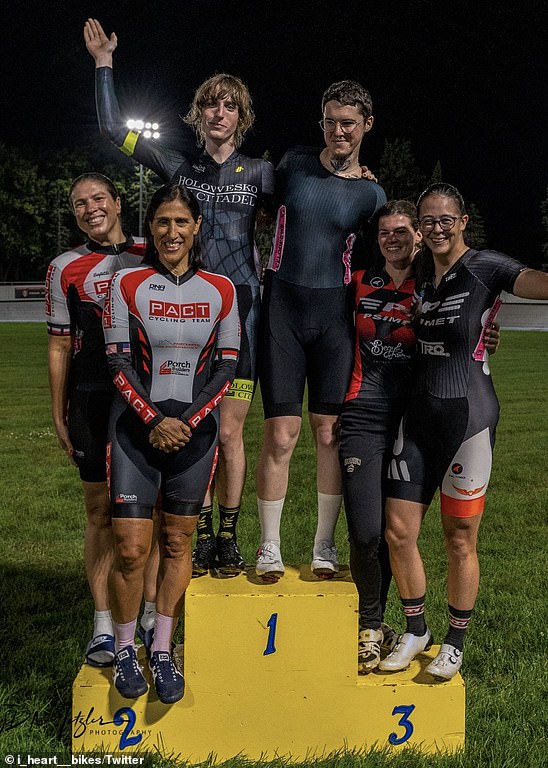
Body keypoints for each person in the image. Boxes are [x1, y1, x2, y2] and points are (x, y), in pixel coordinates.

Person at [379, 180, 548, 679]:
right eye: (429, 221)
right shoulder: (420, 274)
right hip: (418, 420)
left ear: (463, 221)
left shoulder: (487, 268)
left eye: (447, 219)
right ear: (421, 230)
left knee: (459, 538)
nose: (438, 228)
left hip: (470, 419)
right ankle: (416, 628)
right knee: (399, 531)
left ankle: (455, 641)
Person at [84, 18, 274, 577]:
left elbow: (311, 216)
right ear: (198, 115)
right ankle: (182, 529)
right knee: (184, 422)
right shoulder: (178, 168)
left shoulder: (262, 172)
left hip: (240, 311)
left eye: (229, 106)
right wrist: (103, 65)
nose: (219, 114)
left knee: (232, 429)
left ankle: (226, 537)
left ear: (241, 116)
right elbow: (110, 128)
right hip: (180, 321)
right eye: (210, 105)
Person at [340, 200, 500, 674]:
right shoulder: (358, 282)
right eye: (385, 231)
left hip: (426, 414)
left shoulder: (435, 283)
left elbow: (470, 324)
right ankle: (387, 626)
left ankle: (437, 633)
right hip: (372, 415)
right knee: (380, 532)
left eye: (403, 230)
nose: (394, 238)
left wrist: (489, 335)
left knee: (443, 535)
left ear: (418, 236)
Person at [103, 184, 240, 703]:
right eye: (162, 222)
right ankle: (122, 649)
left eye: (181, 222)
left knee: (178, 544)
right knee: (133, 550)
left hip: (195, 435)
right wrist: (153, 418)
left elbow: (227, 368)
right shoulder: (127, 283)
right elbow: (117, 361)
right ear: (152, 228)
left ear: (197, 226)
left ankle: (161, 649)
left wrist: (187, 421)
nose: (171, 232)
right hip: (135, 431)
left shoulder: (222, 289)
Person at [255, 80, 387, 581]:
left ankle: (324, 544)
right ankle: (268, 545)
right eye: (330, 121)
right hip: (281, 309)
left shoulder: (373, 194)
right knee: (281, 435)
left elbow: (387, 262)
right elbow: (254, 206)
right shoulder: (293, 164)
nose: (338, 131)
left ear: (366, 126)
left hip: (335, 317)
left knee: (329, 433)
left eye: (348, 123)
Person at [45, 172, 158, 668]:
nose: (89, 208)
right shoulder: (64, 267)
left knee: (147, 511)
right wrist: (58, 411)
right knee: (99, 513)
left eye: (97, 199)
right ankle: (104, 627)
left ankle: (151, 612)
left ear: (117, 201)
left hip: (149, 398)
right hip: (90, 398)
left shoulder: (151, 249)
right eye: (78, 204)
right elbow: (58, 344)